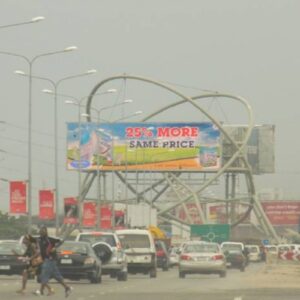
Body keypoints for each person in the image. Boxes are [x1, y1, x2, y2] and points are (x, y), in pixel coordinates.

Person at [36, 226, 72, 297]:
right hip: (46, 259)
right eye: (41, 230)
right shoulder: (39, 239)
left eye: (43, 230)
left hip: (50, 259)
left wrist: (55, 248)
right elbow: (40, 249)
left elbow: (61, 241)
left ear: (46, 231)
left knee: (44, 275)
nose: (42, 232)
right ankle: (67, 288)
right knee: (57, 276)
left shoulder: (50, 239)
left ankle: (41, 291)